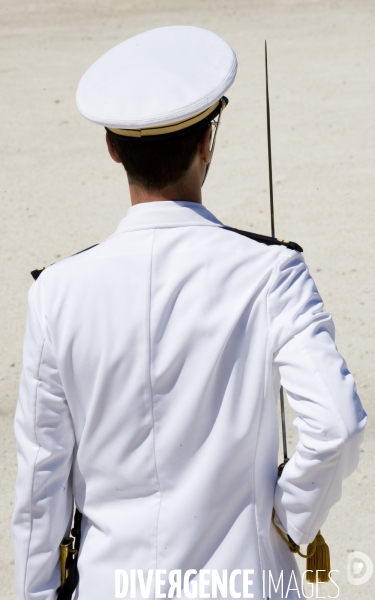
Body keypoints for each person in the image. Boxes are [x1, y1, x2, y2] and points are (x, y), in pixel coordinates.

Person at [12, 26, 366, 600]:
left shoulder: (57, 293)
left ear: (111, 148)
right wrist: (290, 519)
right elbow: (337, 426)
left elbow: (39, 488)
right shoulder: (271, 273)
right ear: (207, 142)